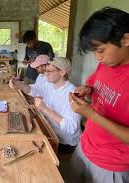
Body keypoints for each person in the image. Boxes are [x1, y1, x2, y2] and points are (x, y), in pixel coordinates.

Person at [69, 7, 129, 183]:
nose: (97, 58)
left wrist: (91, 115)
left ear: (126, 39)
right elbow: (93, 83)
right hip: (85, 146)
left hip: (111, 165)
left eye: (101, 50)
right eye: (94, 51)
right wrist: (87, 89)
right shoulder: (108, 63)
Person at [11, 56, 82, 148]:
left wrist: (45, 109)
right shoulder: (50, 84)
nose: (46, 74)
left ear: (62, 72)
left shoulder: (73, 93)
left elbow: (71, 127)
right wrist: (18, 84)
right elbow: (34, 90)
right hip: (50, 129)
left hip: (64, 141)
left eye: (49, 71)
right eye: (46, 71)